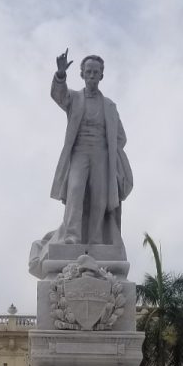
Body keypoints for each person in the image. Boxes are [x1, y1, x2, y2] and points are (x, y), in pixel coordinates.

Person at [47, 50, 133, 249]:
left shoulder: (110, 106)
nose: (92, 75)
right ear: (82, 74)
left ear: (101, 75)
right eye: (88, 72)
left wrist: (112, 151)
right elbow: (58, 96)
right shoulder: (75, 98)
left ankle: (96, 239)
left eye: (96, 72)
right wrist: (60, 75)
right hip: (79, 152)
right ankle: (72, 237)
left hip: (102, 155)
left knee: (99, 197)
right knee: (75, 190)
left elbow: (121, 136)